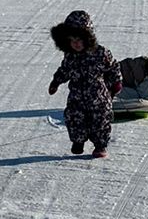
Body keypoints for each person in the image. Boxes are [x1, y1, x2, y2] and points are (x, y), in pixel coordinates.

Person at [47, 10, 123, 158]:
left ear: (87, 38)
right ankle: (78, 141)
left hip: (98, 96)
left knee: (100, 119)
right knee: (74, 117)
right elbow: (65, 70)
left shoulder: (100, 53)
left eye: (79, 40)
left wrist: (116, 83)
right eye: (72, 40)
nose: (75, 44)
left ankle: (100, 145)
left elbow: (113, 67)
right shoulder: (70, 56)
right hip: (77, 95)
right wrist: (56, 82)